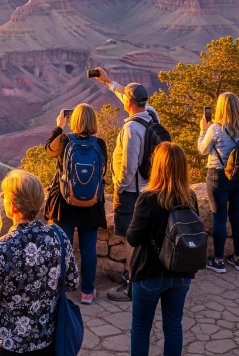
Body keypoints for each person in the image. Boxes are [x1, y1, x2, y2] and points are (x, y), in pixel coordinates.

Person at [0, 169, 80, 356]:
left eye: (4, 196)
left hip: (7, 345)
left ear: (13, 206)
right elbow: (73, 282)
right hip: (48, 339)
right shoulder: (58, 236)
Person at [92, 67, 159, 301]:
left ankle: (132, 284)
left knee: (130, 236)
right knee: (142, 233)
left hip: (131, 191)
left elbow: (129, 167)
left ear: (130, 103)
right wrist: (109, 82)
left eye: (126, 99)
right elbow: (125, 95)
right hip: (150, 186)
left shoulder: (131, 128)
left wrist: (118, 187)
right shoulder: (151, 114)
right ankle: (135, 272)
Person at [127, 142, 199, 356]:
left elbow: (133, 237)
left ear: (157, 166)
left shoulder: (148, 199)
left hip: (150, 272)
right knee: (174, 326)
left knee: (141, 327)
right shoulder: (190, 198)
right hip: (181, 272)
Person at [45, 104, 107, 304]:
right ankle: (87, 292)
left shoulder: (64, 140)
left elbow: (48, 150)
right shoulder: (101, 144)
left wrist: (59, 126)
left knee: (63, 247)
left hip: (66, 203)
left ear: (75, 121)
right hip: (91, 203)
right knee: (89, 249)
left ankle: (60, 292)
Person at [197, 92, 239, 273]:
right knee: (237, 216)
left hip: (218, 176)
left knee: (219, 217)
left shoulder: (215, 129)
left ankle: (218, 260)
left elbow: (202, 150)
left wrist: (203, 131)